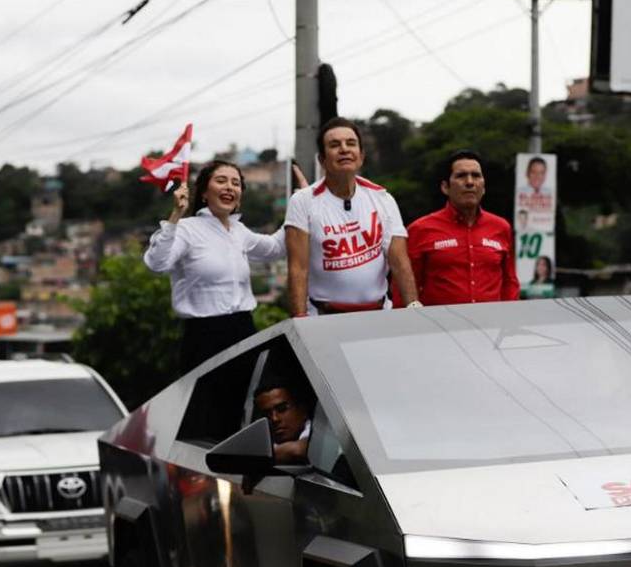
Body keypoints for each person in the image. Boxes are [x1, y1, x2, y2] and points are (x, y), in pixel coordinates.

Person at [145, 159, 286, 374]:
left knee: (246, 402)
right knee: (207, 405)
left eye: (236, 183)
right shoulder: (186, 229)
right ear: (203, 193)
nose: (230, 187)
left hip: (244, 330)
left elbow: (276, 248)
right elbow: (157, 263)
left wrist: (301, 206)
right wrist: (175, 216)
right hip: (204, 337)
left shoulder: (240, 231)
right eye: (221, 181)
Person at [285, 117, 419, 316]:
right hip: (323, 317)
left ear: (361, 156)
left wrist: (414, 307)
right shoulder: (302, 201)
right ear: (322, 160)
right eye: (334, 145)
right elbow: (298, 269)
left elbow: (399, 262)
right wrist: (300, 320)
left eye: (351, 143)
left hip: (378, 314)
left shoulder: (383, 198)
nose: (344, 149)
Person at [402, 150, 519, 306]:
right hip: (440, 327)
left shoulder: (501, 228)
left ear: (483, 187)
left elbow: (510, 283)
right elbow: (404, 286)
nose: (470, 182)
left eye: (476, 176)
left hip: (490, 326)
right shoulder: (420, 229)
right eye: (461, 176)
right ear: (445, 187)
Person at [253, 376, 312, 464]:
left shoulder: (322, 432)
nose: (274, 418)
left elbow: (302, 450)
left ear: (302, 410)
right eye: (266, 415)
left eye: (282, 409)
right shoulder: (261, 441)